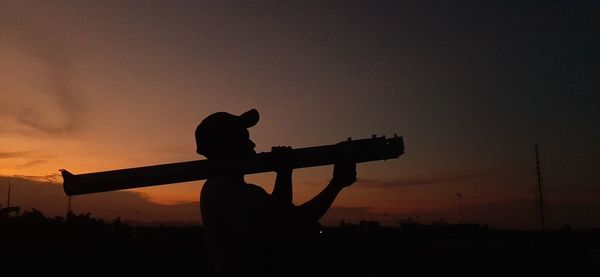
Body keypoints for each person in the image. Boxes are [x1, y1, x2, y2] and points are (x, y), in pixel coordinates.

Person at [196, 109, 357, 276]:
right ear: (228, 146)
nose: (253, 144)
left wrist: (336, 184)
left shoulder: (235, 190)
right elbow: (284, 222)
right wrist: (285, 172)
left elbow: (295, 217)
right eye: (245, 138)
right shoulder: (222, 190)